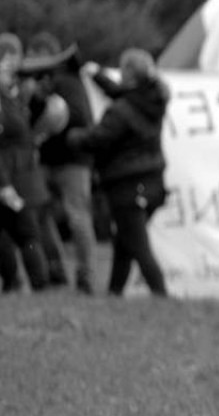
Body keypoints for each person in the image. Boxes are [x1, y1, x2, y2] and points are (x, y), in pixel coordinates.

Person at [66, 49, 169, 297]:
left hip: (127, 185)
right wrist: (98, 76)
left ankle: (161, 294)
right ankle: (114, 293)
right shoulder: (152, 99)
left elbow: (98, 138)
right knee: (125, 241)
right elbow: (121, 93)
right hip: (152, 182)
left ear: (128, 74)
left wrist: (72, 135)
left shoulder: (122, 111)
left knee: (138, 246)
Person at [20, 34, 98, 294]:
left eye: (32, 54)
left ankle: (85, 277)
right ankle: (55, 271)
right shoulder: (35, 84)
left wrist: (48, 104)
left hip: (73, 163)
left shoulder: (68, 80)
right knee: (40, 216)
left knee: (78, 218)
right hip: (45, 162)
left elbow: (78, 117)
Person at [0, 33, 50, 292]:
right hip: (10, 176)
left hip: (18, 176)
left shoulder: (13, 97)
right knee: (21, 233)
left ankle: (36, 284)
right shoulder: (7, 99)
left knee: (27, 232)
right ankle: (15, 283)